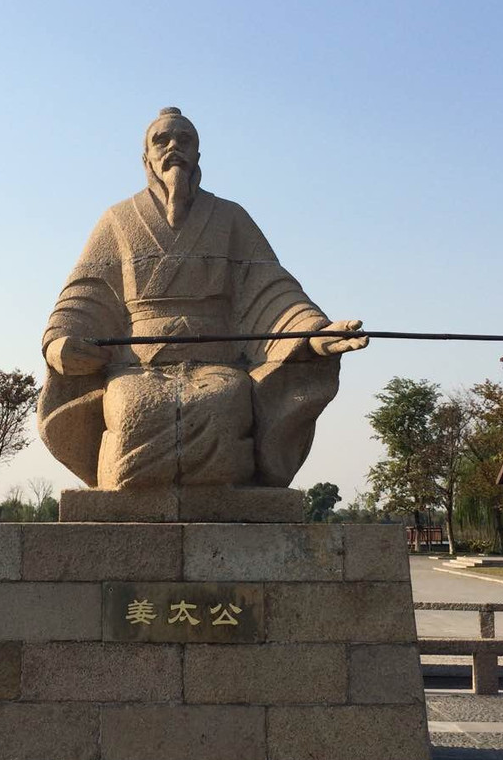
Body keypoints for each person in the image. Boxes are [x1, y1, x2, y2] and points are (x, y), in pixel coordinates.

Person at [38, 108, 367, 489]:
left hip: (216, 364)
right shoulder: (117, 219)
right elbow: (86, 294)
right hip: (139, 366)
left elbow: (271, 290)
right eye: (161, 140)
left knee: (227, 402)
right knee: (131, 406)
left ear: (197, 155)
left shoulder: (231, 218)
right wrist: (59, 343)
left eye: (185, 140)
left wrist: (312, 333)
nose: (173, 146)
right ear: (146, 158)